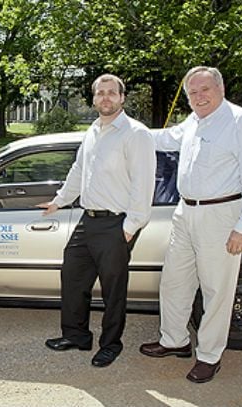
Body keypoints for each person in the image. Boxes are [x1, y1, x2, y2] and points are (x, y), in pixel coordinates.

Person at [139, 66, 242, 383]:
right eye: (192, 92)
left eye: (204, 89)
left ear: (220, 88)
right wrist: (129, 132)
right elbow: (167, 138)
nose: (199, 96)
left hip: (221, 215)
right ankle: (174, 340)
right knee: (174, 282)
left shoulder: (240, 121)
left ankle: (209, 356)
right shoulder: (194, 122)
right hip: (185, 213)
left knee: (216, 291)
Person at [42, 74, 156, 367]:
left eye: (111, 93)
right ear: (93, 99)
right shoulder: (94, 130)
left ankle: (111, 344)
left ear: (122, 98)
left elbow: (144, 185)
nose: (105, 97)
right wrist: (59, 201)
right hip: (87, 220)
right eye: (100, 93)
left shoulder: (136, 134)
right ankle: (76, 335)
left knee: (112, 288)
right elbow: (79, 171)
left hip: (116, 225)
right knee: (73, 277)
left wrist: (130, 228)